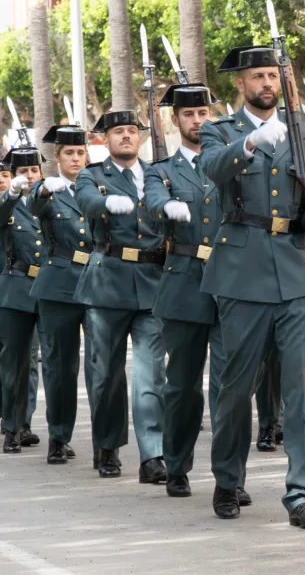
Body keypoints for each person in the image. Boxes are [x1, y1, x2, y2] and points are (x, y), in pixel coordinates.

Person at [198, 45, 305, 528]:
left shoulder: (302, 129)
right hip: (243, 269)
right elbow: (212, 169)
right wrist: (251, 144)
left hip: (297, 267)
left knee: (304, 388)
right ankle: (228, 478)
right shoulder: (220, 130)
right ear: (241, 84)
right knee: (237, 385)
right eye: (257, 76)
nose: (267, 84)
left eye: (273, 76)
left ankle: (302, 495)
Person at [74, 110, 167, 480]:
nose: (126, 136)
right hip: (107, 282)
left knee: (151, 374)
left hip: (152, 282)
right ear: (105, 139)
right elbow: (85, 200)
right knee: (106, 374)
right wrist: (106, 203)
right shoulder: (93, 175)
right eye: (118, 132)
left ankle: (152, 455)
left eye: (131, 131)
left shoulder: (157, 174)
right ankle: (108, 446)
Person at [143, 83, 225, 498]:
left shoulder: (229, 164)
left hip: (230, 282)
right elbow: (152, 201)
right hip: (184, 284)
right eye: (189, 114)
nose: (197, 120)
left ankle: (229, 478)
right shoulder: (161, 171)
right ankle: (176, 465)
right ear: (175, 121)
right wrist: (165, 207)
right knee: (182, 387)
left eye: (203, 113)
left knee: (230, 388)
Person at [31, 122, 92, 463]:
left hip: (98, 283)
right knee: (60, 366)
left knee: (102, 366)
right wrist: (43, 189)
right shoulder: (48, 190)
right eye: (69, 152)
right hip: (59, 284)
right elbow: (34, 205)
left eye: (80, 152)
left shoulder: (98, 188)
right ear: (57, 157)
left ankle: (106, 444)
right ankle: (58, 436)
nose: (75, 158)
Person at [0, 138, 46, 454]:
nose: (29, 176)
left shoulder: (52, 200)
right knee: (15, 361)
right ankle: (12, 427)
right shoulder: (9, 203)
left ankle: (26, 424)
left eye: (34, 170)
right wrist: (12, 194)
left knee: (35, 362)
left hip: (48, 288)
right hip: (16, 288)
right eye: (23, 171)